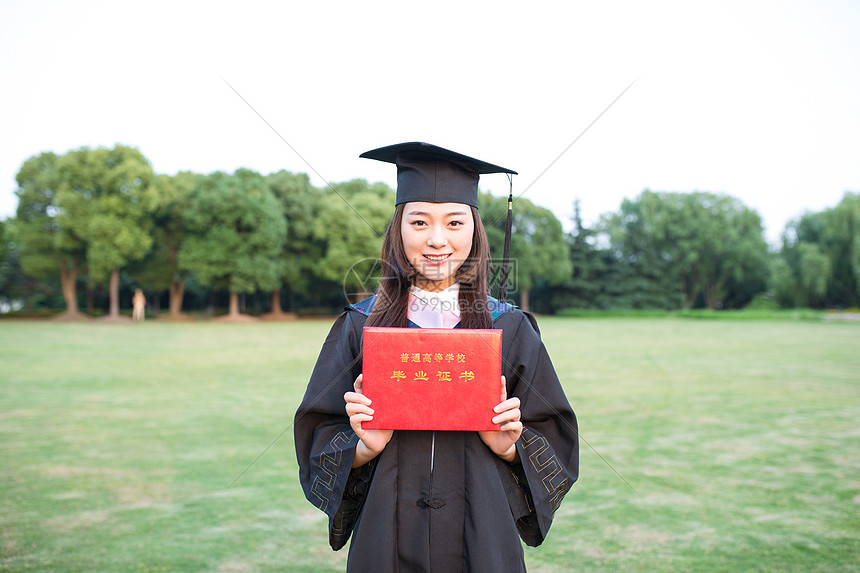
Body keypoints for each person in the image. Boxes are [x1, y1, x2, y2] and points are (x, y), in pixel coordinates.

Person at [294, 142, 579, 572]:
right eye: (420, 221)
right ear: (398, 228)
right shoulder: (359, 326)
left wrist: (510, 447)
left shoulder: (510, 328)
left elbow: (555, 441)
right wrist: (360, 448)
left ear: (475, 229)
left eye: (454, 221)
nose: (437, 239)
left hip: (482, 540)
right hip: (384, 540)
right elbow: (317, 434)